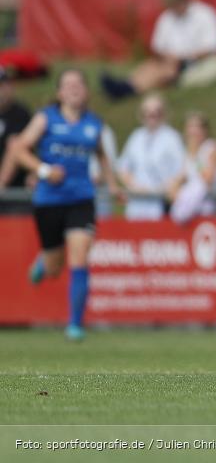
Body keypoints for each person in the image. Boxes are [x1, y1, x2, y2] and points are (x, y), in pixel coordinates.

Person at [12, 69, 121, 340]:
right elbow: (18, 148)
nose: (74, 88)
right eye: (68, 84)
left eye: (79, 84)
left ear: (86, 92)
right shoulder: (45, 118)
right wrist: (44, 171)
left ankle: (75, 325)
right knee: (54, 267)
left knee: (80, 256)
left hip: (82, 199)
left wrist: (113, 184)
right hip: (49, 201)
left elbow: (102, 155)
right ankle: (44, 263)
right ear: (60, 92)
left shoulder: (94, 124)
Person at [101, 0, 216, 99]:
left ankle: (128, 89)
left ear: (184, 1)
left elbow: (211, 47)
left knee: (166, 71)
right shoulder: (167, 17)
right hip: (169, 60)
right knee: (151, 66)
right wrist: (169, 57)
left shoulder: (205, 14)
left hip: (194, 62)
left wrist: (183, 57)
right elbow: (158, 46)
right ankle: (127, 84)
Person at [117, 94, 185, 220]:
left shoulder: (172, 137)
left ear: (163, 113)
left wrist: (167, 188)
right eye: (148, 112)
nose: (152, 116)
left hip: (160, 200)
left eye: (156, 112)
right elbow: (123, 167)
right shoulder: (136, 136)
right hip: (137, 200)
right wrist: (134, 186)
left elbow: (182, 169)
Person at [168, 112, 216, 225]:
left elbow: (208, 178)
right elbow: (183, 175)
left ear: (205, 129)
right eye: (190, 127)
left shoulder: (211, 147)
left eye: (197, 127)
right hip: (190, 207)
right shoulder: (189, 151)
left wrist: (196, 156)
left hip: (207, 205)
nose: (193, 131)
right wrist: (173, 186)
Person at [0, 66, 32, 192]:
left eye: (2, 86)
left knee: (14, 143)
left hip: (15, 186)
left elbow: (18, 147)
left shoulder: (20, 114)